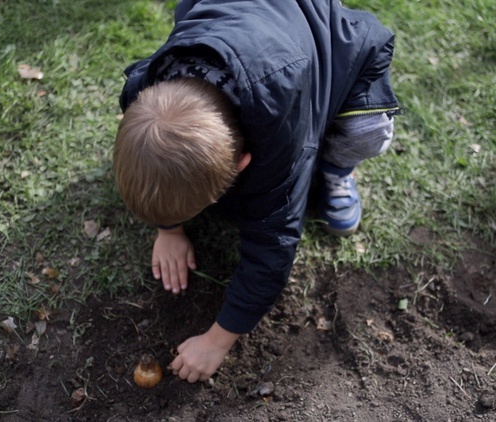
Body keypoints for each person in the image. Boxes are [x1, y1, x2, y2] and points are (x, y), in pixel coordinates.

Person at [114, 0, 400, 384]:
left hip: (336, 45)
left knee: (366, 131)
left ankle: (335, 171)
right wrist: (169, 230)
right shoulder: (140, 89)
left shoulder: (281, 140)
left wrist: (217, 340)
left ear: (243, 163)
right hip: (237, 25)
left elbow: (273, 249)